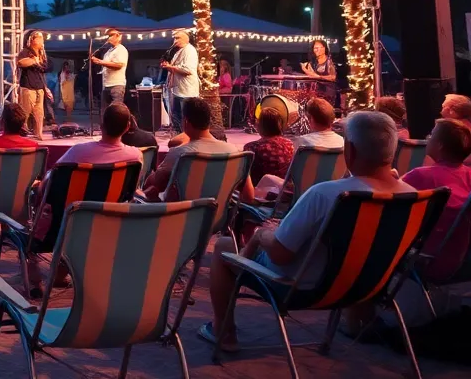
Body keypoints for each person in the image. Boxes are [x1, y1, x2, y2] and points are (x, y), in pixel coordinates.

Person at [200, 111, 413, 351]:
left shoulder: (326, 195)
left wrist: (262, 234)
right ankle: (357, 320)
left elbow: (281, 255)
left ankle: (223, 332)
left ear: (350, 151)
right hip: (367, 286)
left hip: (303, 288)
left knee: (224, 246)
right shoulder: (413, 197)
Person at [401, 119, 471, 283]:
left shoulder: (420, 176)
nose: (427, 137)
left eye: (431, 134)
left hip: (428, 261)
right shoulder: (468, 175)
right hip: (462, 260)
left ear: (440, 145)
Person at [143, 97, 245, 202]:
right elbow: (248, 195)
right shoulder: (232, 151)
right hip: (220, 215)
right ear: (209, 121)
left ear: (186, 122)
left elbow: (153, 182)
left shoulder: (179, 153)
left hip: (181, 215)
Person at [58, 102, 144, 165]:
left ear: (101, 125)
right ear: (127, 127)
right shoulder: (135, 156)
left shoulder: (76, 152)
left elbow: (54, 174)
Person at [245, 105, 294, 186]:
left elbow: (245, 176)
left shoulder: (252, 147)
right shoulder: (289, 144)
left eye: (258, 121)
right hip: (284, 190)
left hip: (260, 191)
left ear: (260, 125)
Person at [161, 29, 199, 128]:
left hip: (187, 92)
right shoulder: (179, 52)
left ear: (186, 39)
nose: (175, 40)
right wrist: (168, 67)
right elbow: (177, 70)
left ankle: (187, 139)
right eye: (174, 38)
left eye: (178, 38)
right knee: (177, 118)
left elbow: (188, 70)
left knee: (186, 119)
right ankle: (179, 137)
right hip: (177, 90)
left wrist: (171, 67)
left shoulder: (190, 50)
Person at [15, 30, 49, 139]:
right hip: (28, 87)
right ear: (32, 40)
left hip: (39, 87)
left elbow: (43, 71)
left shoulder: (42, 54)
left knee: (40, 113)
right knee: (26, 112)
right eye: (38, 38)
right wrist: (33, 61)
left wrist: (45, 88)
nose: (40, 40)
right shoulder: (25, 51)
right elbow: (20, 62)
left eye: (41, 38)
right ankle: (22, 133)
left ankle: (38, 133)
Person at [90, 28, 129, 106]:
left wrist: (100, 61)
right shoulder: (109, 51)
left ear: (118, 36)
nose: (108, 38)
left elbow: (119, 65)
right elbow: (106, 65)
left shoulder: (121, 50)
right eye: (108, 36)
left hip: (116, 85)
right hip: (106, 85)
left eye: (111, 35)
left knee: (116, 112)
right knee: (106, 113)